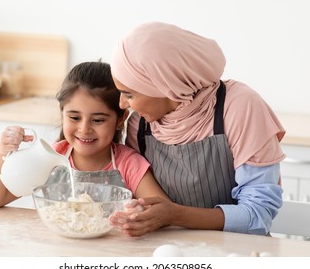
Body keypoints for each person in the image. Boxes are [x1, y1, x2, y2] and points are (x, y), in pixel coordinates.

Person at [108, 21, 286, 237]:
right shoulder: (141, 124)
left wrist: (174, 215)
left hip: (236, 250)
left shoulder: (239, 107)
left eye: (129, 94)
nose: (122, 104)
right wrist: (137, 213)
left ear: (164, 84)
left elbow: (259, 214)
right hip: (164, 249)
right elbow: (139, 193)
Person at [0, 61, 169, 209]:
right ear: (62, 113)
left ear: (121, 119)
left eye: (98, 120)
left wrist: (138, 212)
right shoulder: (50, 159)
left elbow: (162, 209)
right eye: (75, 117)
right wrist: (1, 154)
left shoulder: (128, 164)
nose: (84, 129)